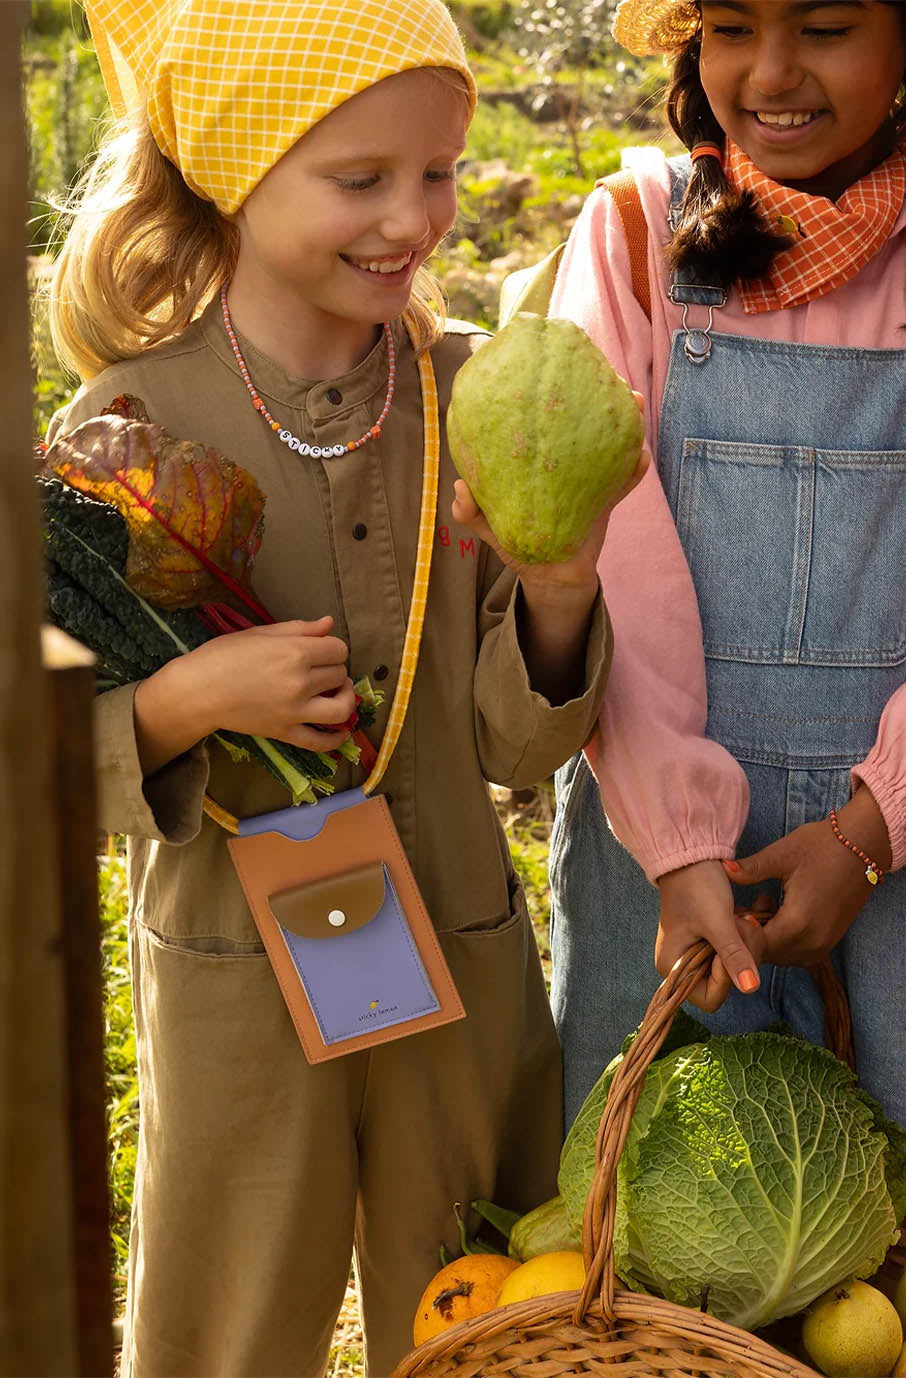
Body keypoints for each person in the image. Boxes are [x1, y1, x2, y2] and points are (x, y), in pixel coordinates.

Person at [47, 3, 634, 1374]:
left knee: (486, 1302)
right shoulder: (125, 435)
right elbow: (44, 760)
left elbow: (510, 738)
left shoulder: (467, 402)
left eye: (434, 172)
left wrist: (555, 584)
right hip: (239, 985)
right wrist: (193, 697)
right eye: (358, 179)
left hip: (456, 959)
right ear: (238, 177)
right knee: (229, 1315)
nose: (412, 218)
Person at [547, 0, 906, 1240]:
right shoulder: (631, 238)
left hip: (898, 857)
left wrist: (872, 830)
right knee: (645, 1229)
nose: (770, 73)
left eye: (823, 27)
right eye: (729, 27)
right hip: (648, 849)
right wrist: (675, 834)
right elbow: (608, 542)